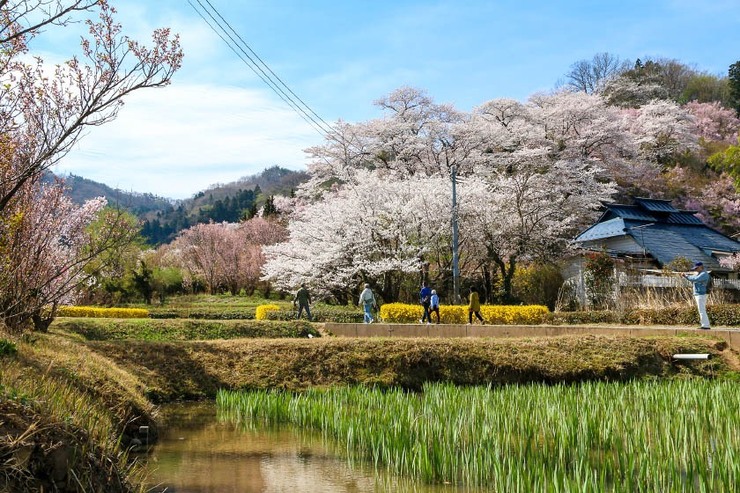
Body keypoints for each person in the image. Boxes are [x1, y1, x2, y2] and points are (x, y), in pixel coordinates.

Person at [683, 262, 711, 330]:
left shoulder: (704, 274)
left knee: (701, 310)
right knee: (701, 310)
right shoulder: (699, 274)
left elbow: (695, 279)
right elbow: (694, 278)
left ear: (701, 267)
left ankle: (705, 325)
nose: (695, 270)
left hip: (701, 294)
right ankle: (704, 324)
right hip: (699, 293)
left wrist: (686, 276)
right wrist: (688, 276)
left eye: (696, 268)